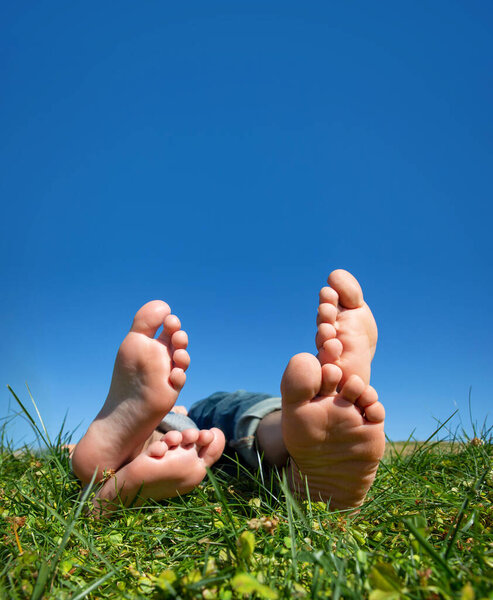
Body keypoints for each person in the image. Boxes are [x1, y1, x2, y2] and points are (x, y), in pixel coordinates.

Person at [71, 269, 385, 515]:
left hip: (190, 432)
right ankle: (298, 430)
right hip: (204, 432)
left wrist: (73, 452)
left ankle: (135, 454)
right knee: (250, 415)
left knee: (184, 428)